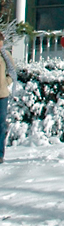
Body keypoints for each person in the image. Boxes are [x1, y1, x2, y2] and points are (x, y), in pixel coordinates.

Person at [0, 33, 15, 164]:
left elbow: (12, 70)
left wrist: (7, 81)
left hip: (2, 95)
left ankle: (0, 154)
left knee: (1, 124)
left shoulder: (5, 56)